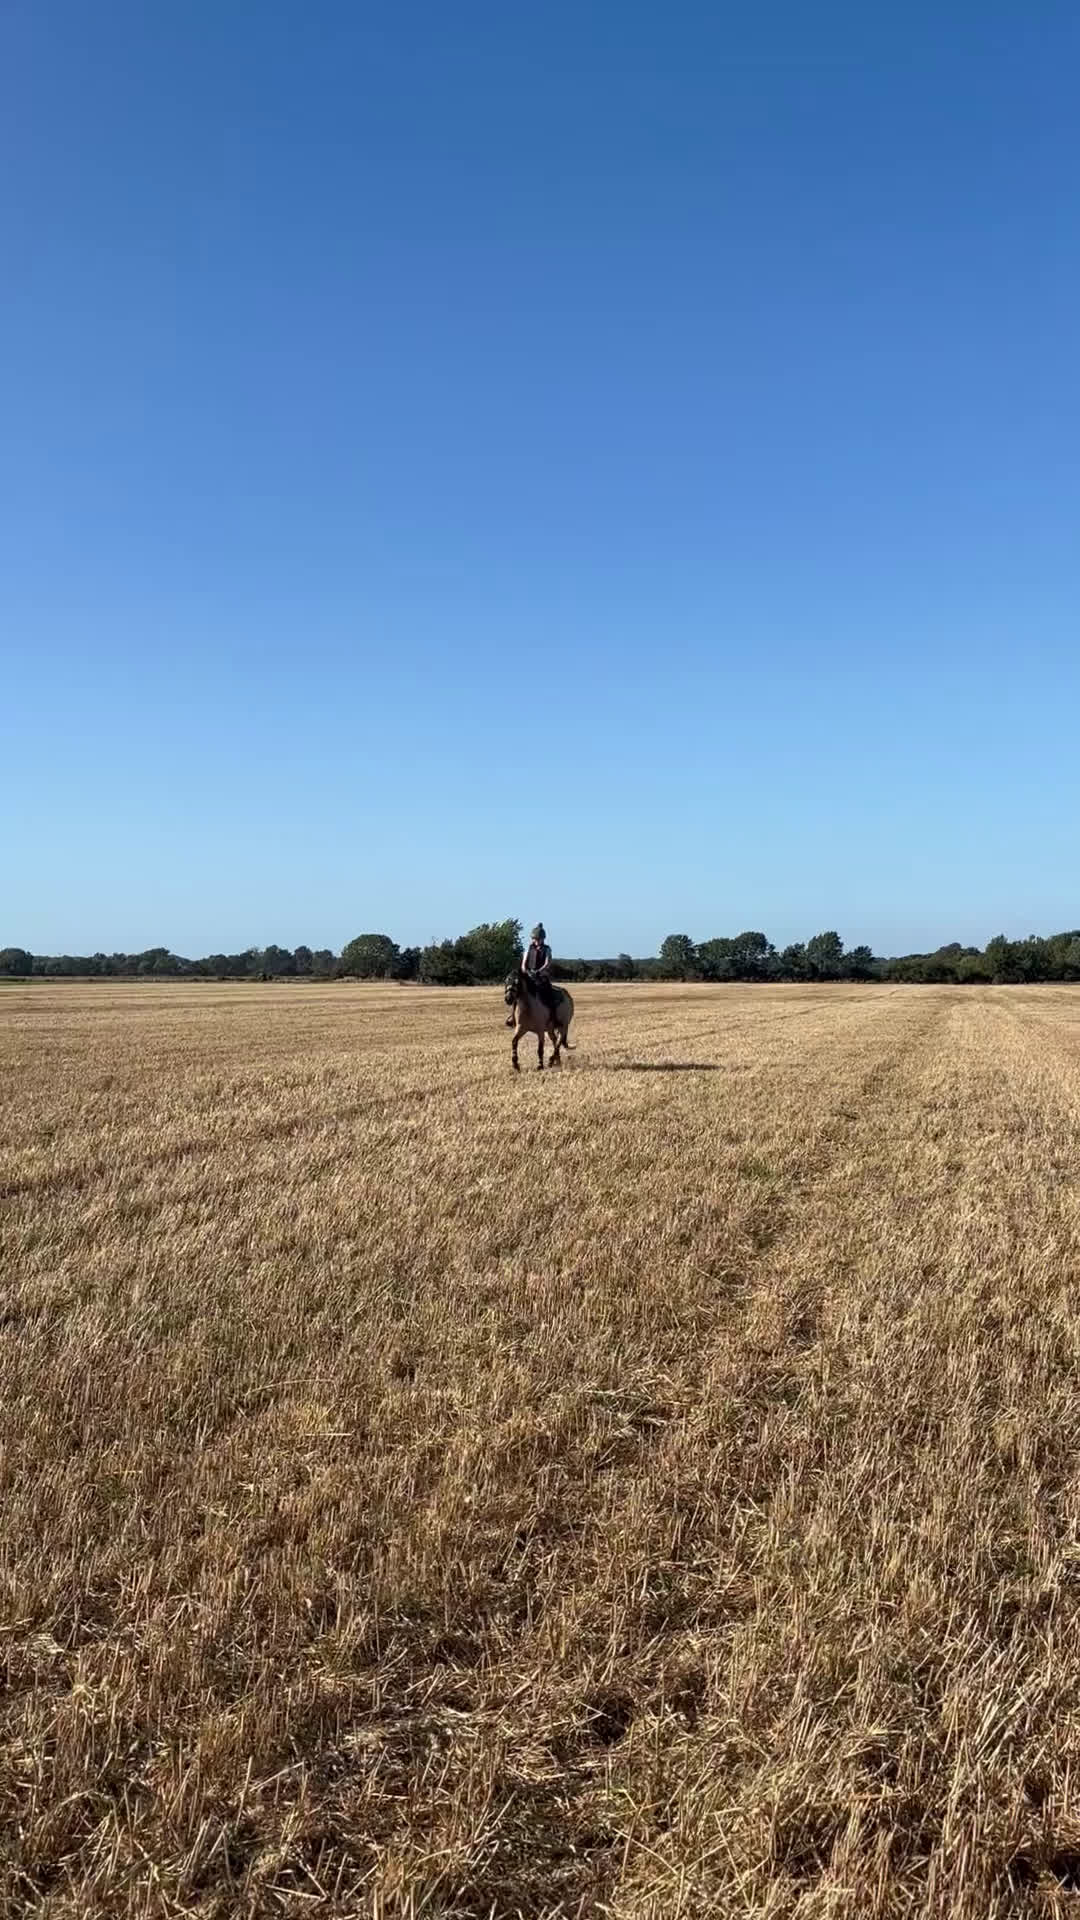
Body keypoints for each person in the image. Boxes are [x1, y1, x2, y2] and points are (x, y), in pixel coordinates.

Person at [507, 923, 558, 1024]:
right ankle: (512, 1016)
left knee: (549, 994)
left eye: (538, 939)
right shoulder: (529, 948)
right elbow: (523, 963)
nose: (536, 941)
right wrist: (526, 971)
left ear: (543, 939)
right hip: (528, 975)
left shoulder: (547, 949)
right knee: (517, 992)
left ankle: (554, 1017)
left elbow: (547, 963)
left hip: (541, 976)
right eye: (535, 939)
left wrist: (539, 971)